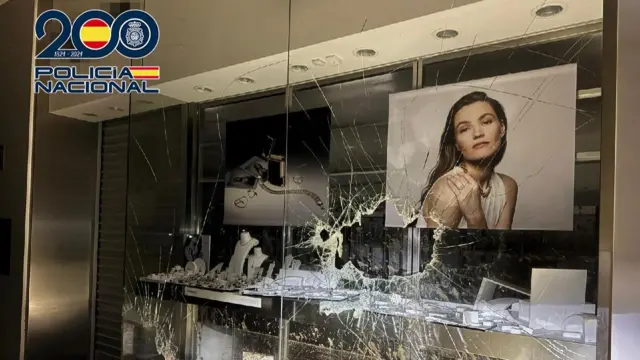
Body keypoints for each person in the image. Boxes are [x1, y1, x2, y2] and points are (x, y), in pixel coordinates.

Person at [421, 91, 518, 229]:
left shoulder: (508, 186)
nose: (478, 133)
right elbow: (430, 251)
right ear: (457, 144)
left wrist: (475, 215)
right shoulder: (448, 192)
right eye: (465, 129)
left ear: (502, 128)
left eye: (486, 122)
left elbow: (500, 250)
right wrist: (475, 217)